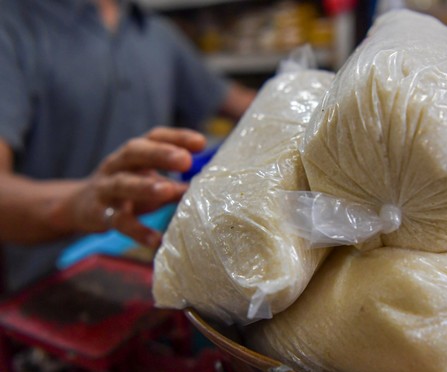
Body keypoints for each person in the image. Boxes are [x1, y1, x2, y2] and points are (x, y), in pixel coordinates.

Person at [0, 0, 257, 292]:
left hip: (151, 271)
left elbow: (240, 102)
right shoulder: (12, 27)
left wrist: (309, 101)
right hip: (50, 289)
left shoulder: (154, 31)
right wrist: (76, 203)